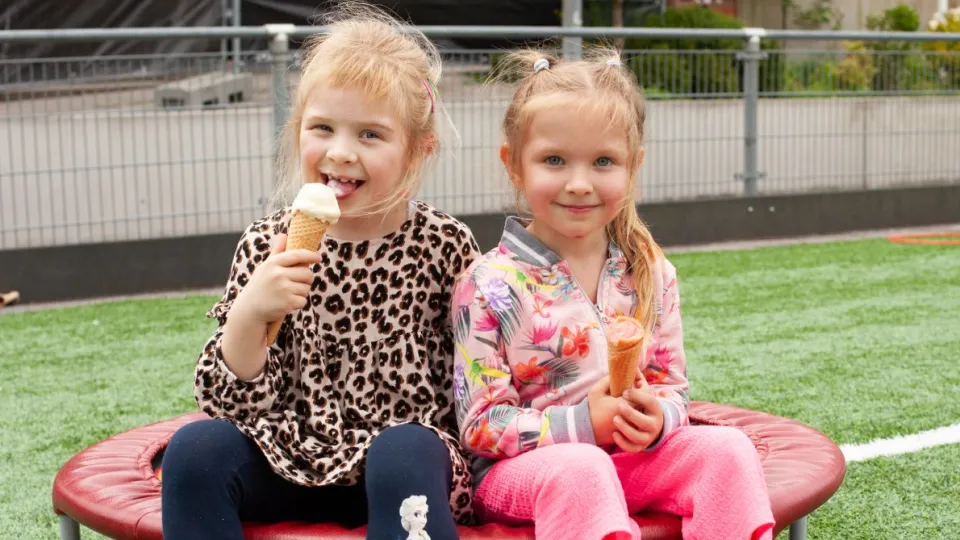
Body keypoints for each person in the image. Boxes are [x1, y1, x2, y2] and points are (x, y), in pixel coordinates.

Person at [160, 3, 480, 539]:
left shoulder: (445, 246)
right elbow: (226, 401)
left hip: (403, 465)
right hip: (288, 454)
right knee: (196, 449)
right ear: (298, 130)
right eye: (323, 128)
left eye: (370, 135)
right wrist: (250, 313)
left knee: (403, 452)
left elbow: (474, 375)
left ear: (417, 150)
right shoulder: (269, 243)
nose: (341, 152)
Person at [452, 47, 775, 540]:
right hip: (523, 474)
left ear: (633, 166)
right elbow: (480, 425)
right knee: (583, 468)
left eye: (603, 161)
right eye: (554, 160)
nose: (580, 183)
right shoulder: (486, 283)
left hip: (629, 461)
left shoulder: (650, 270)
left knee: (728, 450)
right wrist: (582, 424)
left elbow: (671, 386)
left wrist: (659, 419)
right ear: (514, 165)